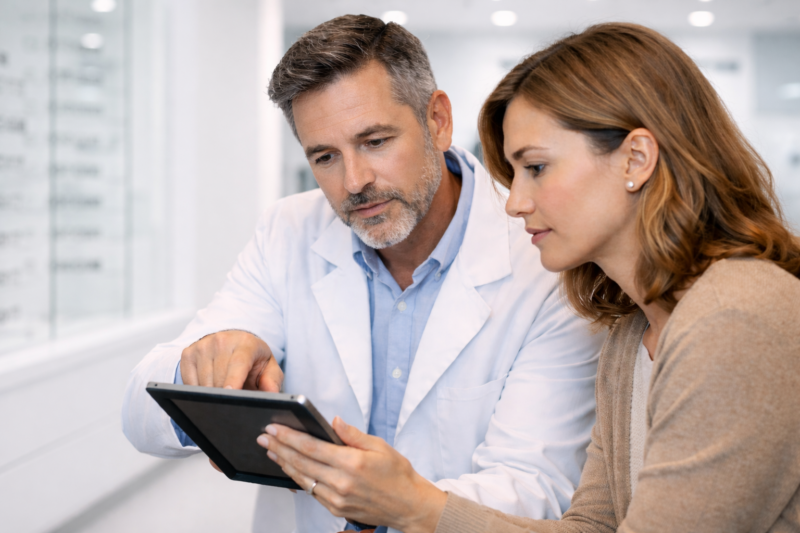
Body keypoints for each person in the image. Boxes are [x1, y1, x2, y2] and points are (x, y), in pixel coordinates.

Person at [259, 22, 800, 533]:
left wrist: (415, 505)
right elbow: (591, 526)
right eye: (513, 174)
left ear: (636, 158)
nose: (515, 203)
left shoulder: (737, 317)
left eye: (536, 168)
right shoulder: (631, 333)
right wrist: (414, 505)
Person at [121, 15, 605, 533]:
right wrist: (205, 369)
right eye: (325, 156)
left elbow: (536, 485)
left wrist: (399, 501)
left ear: (437, 120)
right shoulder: (289, 230)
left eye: (375, 141)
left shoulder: (546, 261)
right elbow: (140, 414)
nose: (354, 182)